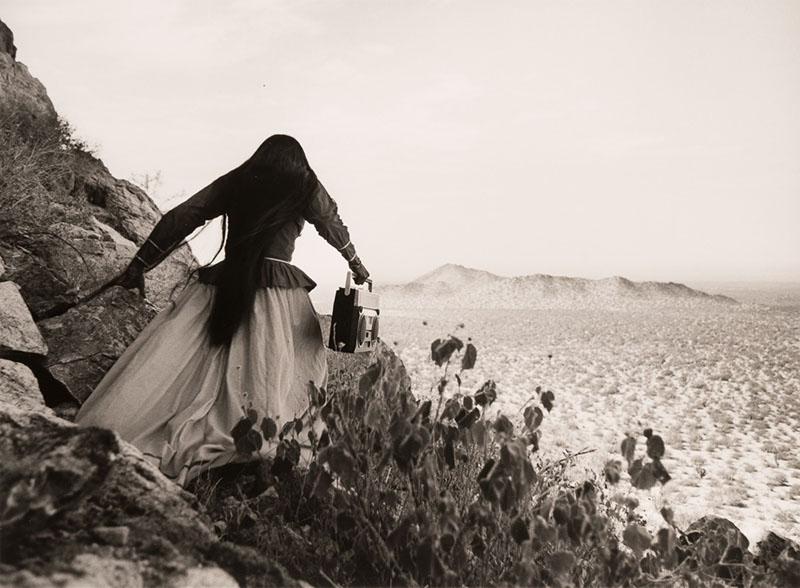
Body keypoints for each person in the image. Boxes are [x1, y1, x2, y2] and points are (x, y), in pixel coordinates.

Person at [75, 134, 369, 486]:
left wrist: (140, 264)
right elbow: (331, 223)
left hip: (223, 285)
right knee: (288, 369)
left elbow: (183, 217)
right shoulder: (304, 183)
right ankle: (259, 442)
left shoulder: (240, 178)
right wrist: (357, 265)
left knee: (190, 365)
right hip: (278, 294)